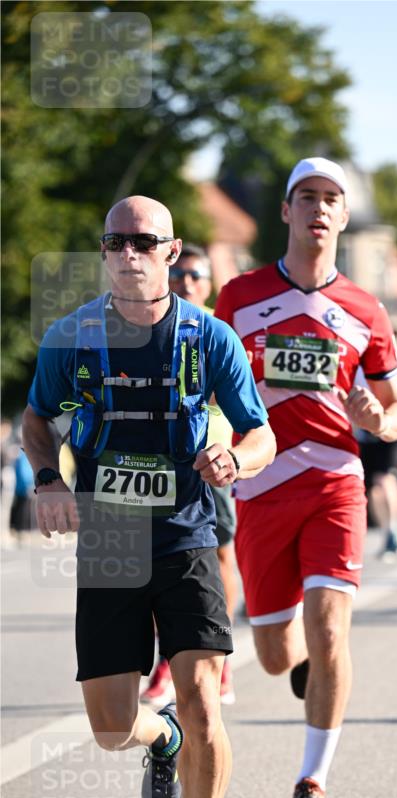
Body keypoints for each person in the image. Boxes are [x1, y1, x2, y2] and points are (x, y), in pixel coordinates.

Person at [22, 196, 275, 798]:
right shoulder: (72, 338)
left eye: (144, 241)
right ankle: (158, 741)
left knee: (201, 702)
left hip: (187, 533)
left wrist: (235, 455)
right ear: (104, 253)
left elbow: (262, 433)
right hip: (108, 537)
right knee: (108, 728)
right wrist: (47, 479)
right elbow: (36, 419)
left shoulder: (209, 338)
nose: (129, 252)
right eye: (115, 241)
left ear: (171, 251)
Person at [214, 157, 397, 798]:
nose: (319, 208)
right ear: (287, 211)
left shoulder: (365, 308)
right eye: (307, 197)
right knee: (273, 655)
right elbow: (210, 386)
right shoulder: (237, 297)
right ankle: (301, 667)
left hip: (335, 479)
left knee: (331, 629)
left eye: (332, 198)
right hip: (261, 486)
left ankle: (312, 782)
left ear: (345, 216)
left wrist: (380, 421)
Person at [143, 243, 238, 705]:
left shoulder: (219, 331)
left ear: (209, 284)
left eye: (195, 275)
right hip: (161, 463)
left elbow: (243, 398)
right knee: (161, 562)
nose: (185, 282)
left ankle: (219, 658)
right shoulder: (154, 327)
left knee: (220, 557)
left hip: (211, 460)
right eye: (178, 274)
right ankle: (167, 660)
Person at [357, 333, 397, 559]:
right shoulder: (359, 355)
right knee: (373, 485)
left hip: (390, 424)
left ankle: (395, 528)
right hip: (363, 429)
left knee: (385, 478)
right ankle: (387, 531)